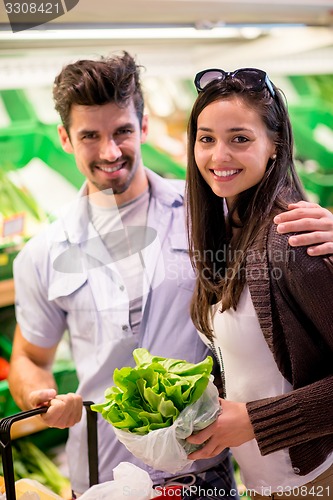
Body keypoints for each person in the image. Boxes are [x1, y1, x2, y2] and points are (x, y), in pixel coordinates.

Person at [7, 54, 332, 499]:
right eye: (89, 136)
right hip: (105, 473)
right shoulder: (41, 254)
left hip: (206, 473)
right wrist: (39, 398)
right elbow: (29, 357)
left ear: (142, 128)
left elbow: (280, 218)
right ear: (65, 138)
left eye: (122, 131)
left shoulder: (213, 209)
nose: (109, 151)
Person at [184, 67, 333, 500]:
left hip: (316, 481)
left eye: (240, 138)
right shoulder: (227, 227)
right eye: (206, 138)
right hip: (265, 483)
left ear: (274, 147)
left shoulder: (291, 237)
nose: (219, 156)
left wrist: (252, 421)